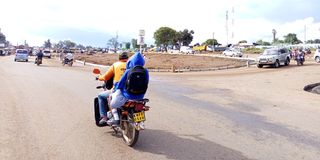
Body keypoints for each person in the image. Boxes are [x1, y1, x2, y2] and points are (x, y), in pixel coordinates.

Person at [107, 52, 149, 126]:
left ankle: (116, 118)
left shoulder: (128, 70)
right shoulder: (146, 71)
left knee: (111, 100)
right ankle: (139, 121)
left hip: (128, 95)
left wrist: (116, 88)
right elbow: (147, 82)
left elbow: (121, 83)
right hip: (140, 95)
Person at [97, 52, 129, 125]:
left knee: (101, 96)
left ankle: (104, 117)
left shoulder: (115, 65)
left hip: (119, 90)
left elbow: (105, 77)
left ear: (119, 58)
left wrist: (99, 77)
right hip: (131, 91)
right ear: (127, 58)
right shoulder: (131, 65)